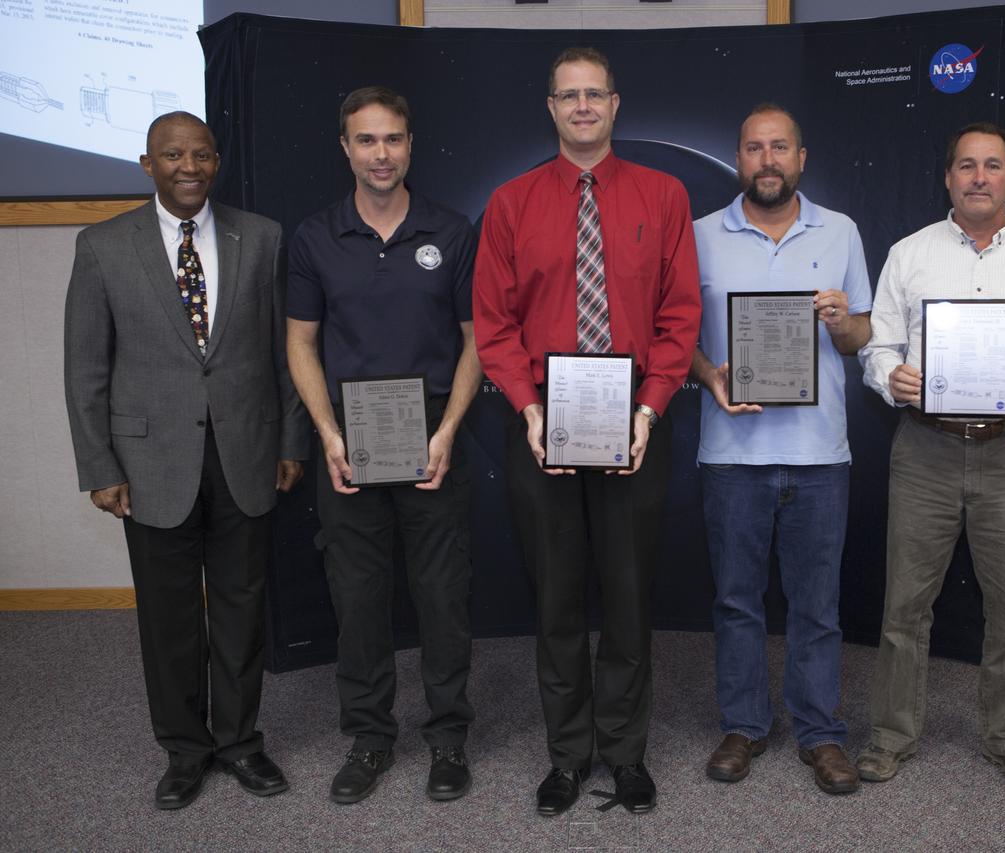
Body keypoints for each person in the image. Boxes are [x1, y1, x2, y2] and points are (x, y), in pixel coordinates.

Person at [472, 46, 700, 816]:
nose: (581, 107)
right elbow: (495, 327)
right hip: (541, 427)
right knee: (558, 602)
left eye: (593, 94)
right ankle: (568, 755)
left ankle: (626, 753)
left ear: (615, 104)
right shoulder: (509, 203)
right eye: (567, 96)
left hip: (636, 423)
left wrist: (650, 409)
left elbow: (680, 316)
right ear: (550, 107)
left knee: (630, 600)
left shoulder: (664, 196)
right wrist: (528, 411)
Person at [63, 111, 309, 809]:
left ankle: (238, 742)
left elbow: (286, 353)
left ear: (217, 160)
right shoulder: (103, 246)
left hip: (247, 454)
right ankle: (184, 749)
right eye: (173, 154)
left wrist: (291, 441)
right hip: (149, 464)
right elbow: (85, 368)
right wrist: (100, 465)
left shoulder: (260, 237)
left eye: (201, 153)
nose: (189, 166)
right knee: (168, 616)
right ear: (148, 164)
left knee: (240, 606)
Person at [857, 121, 1005, 794]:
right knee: (905, 603)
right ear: (949, 178)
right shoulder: (910, 252)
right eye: (967, 165)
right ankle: (892, 734)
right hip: (925, 448)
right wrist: (890, 375)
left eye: (992, 165)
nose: (979, 176)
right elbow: (879, 345)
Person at [286, 86, 480, 805]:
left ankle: (449, 738)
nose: (381, 154)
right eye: (367, 140)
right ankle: (370, 739)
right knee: (359, 596)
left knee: (441, 596)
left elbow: (475, 342)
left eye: (393, 139)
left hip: (431, 432)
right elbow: (299, 344)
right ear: (345, 147)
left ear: (410, 145)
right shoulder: (314, 237)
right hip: (349, 438)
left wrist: (450, 429)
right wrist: (328, 434)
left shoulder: (452, 231)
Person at [691, 104, 872, 795]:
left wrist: (842, 321)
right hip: (732, 453)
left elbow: (861, 337)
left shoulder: (842, 231)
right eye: (753, 148)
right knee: (737, 600)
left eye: (780, 148)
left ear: (802, 158)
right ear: (739, 159)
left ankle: (820, 733)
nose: (767, 160)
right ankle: (743, 724)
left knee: (816, 604)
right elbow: (676, 339)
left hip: (821, 453)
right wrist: (712, 377)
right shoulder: (702, 234)